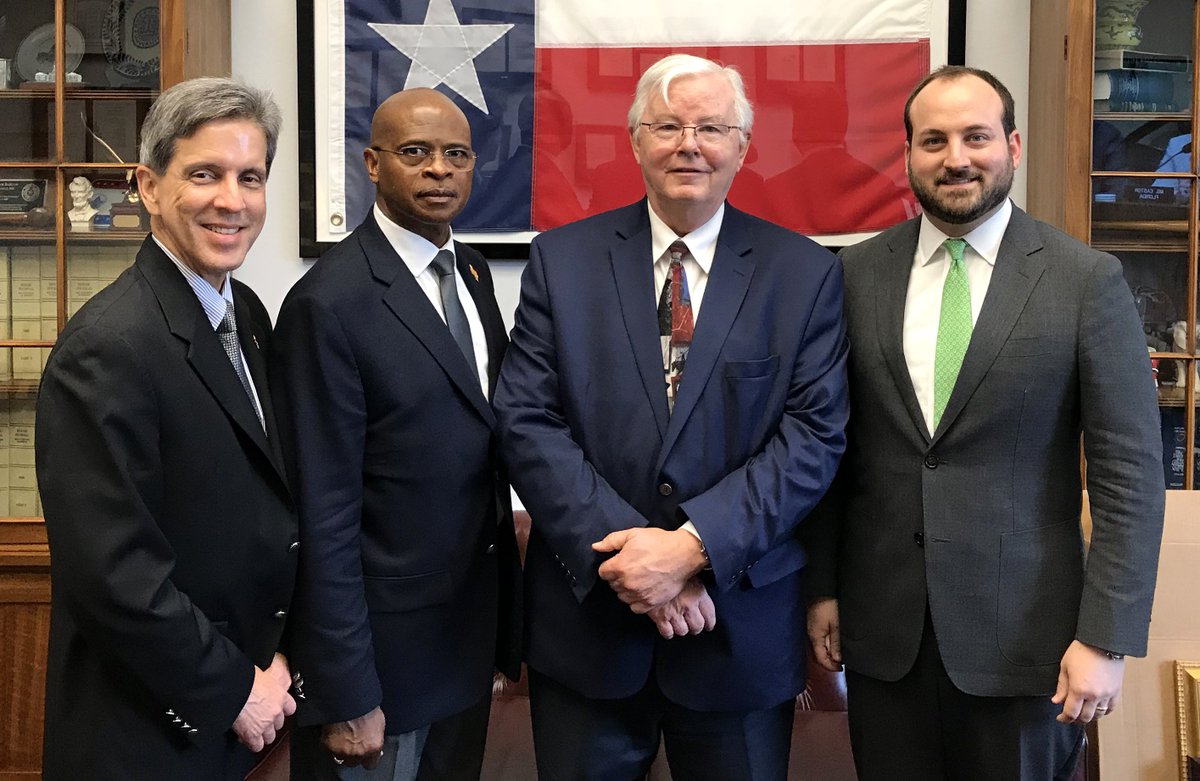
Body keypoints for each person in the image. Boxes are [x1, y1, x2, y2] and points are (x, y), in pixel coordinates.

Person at [804, 65, 1165, 780]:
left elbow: (1129, 475)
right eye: (932, 140)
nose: (956, 158)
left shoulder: (1084, 279)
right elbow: (831, 448)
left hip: (1031, 645)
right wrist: (821, 585)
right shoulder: (852, 275)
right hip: (884, 638)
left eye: (976, 136)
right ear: (908, 155)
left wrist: (1107, 637)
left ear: (1014, 146)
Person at [494, 54, 849, 780]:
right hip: (590, 632)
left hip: (737, 632)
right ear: (635, 140)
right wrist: (634, 563)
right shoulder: (561, 261)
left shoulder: (805, 273)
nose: (689, 143)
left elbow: (813, 437)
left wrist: (691, 549)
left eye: (711, 127)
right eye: (668, 125)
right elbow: (526, 419)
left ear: (743, 146)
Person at [35, 77, 297, 780]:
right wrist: (237, 688)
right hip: (144, 733)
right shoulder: (109, 346)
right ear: (147, 186)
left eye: (250, 177)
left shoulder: (247, 314)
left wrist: (270, 664)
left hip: (232, 716)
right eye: (204, 174)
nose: (231, 200)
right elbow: (115, 573)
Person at [271, 87, 521, 781]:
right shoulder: (329, 303)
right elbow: (321, 512)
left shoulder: (469, 272)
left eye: (456, 154)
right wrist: (346, 689)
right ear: (372, 165)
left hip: (463, 644)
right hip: (382, 665)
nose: (438, 169)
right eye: (415, 152)